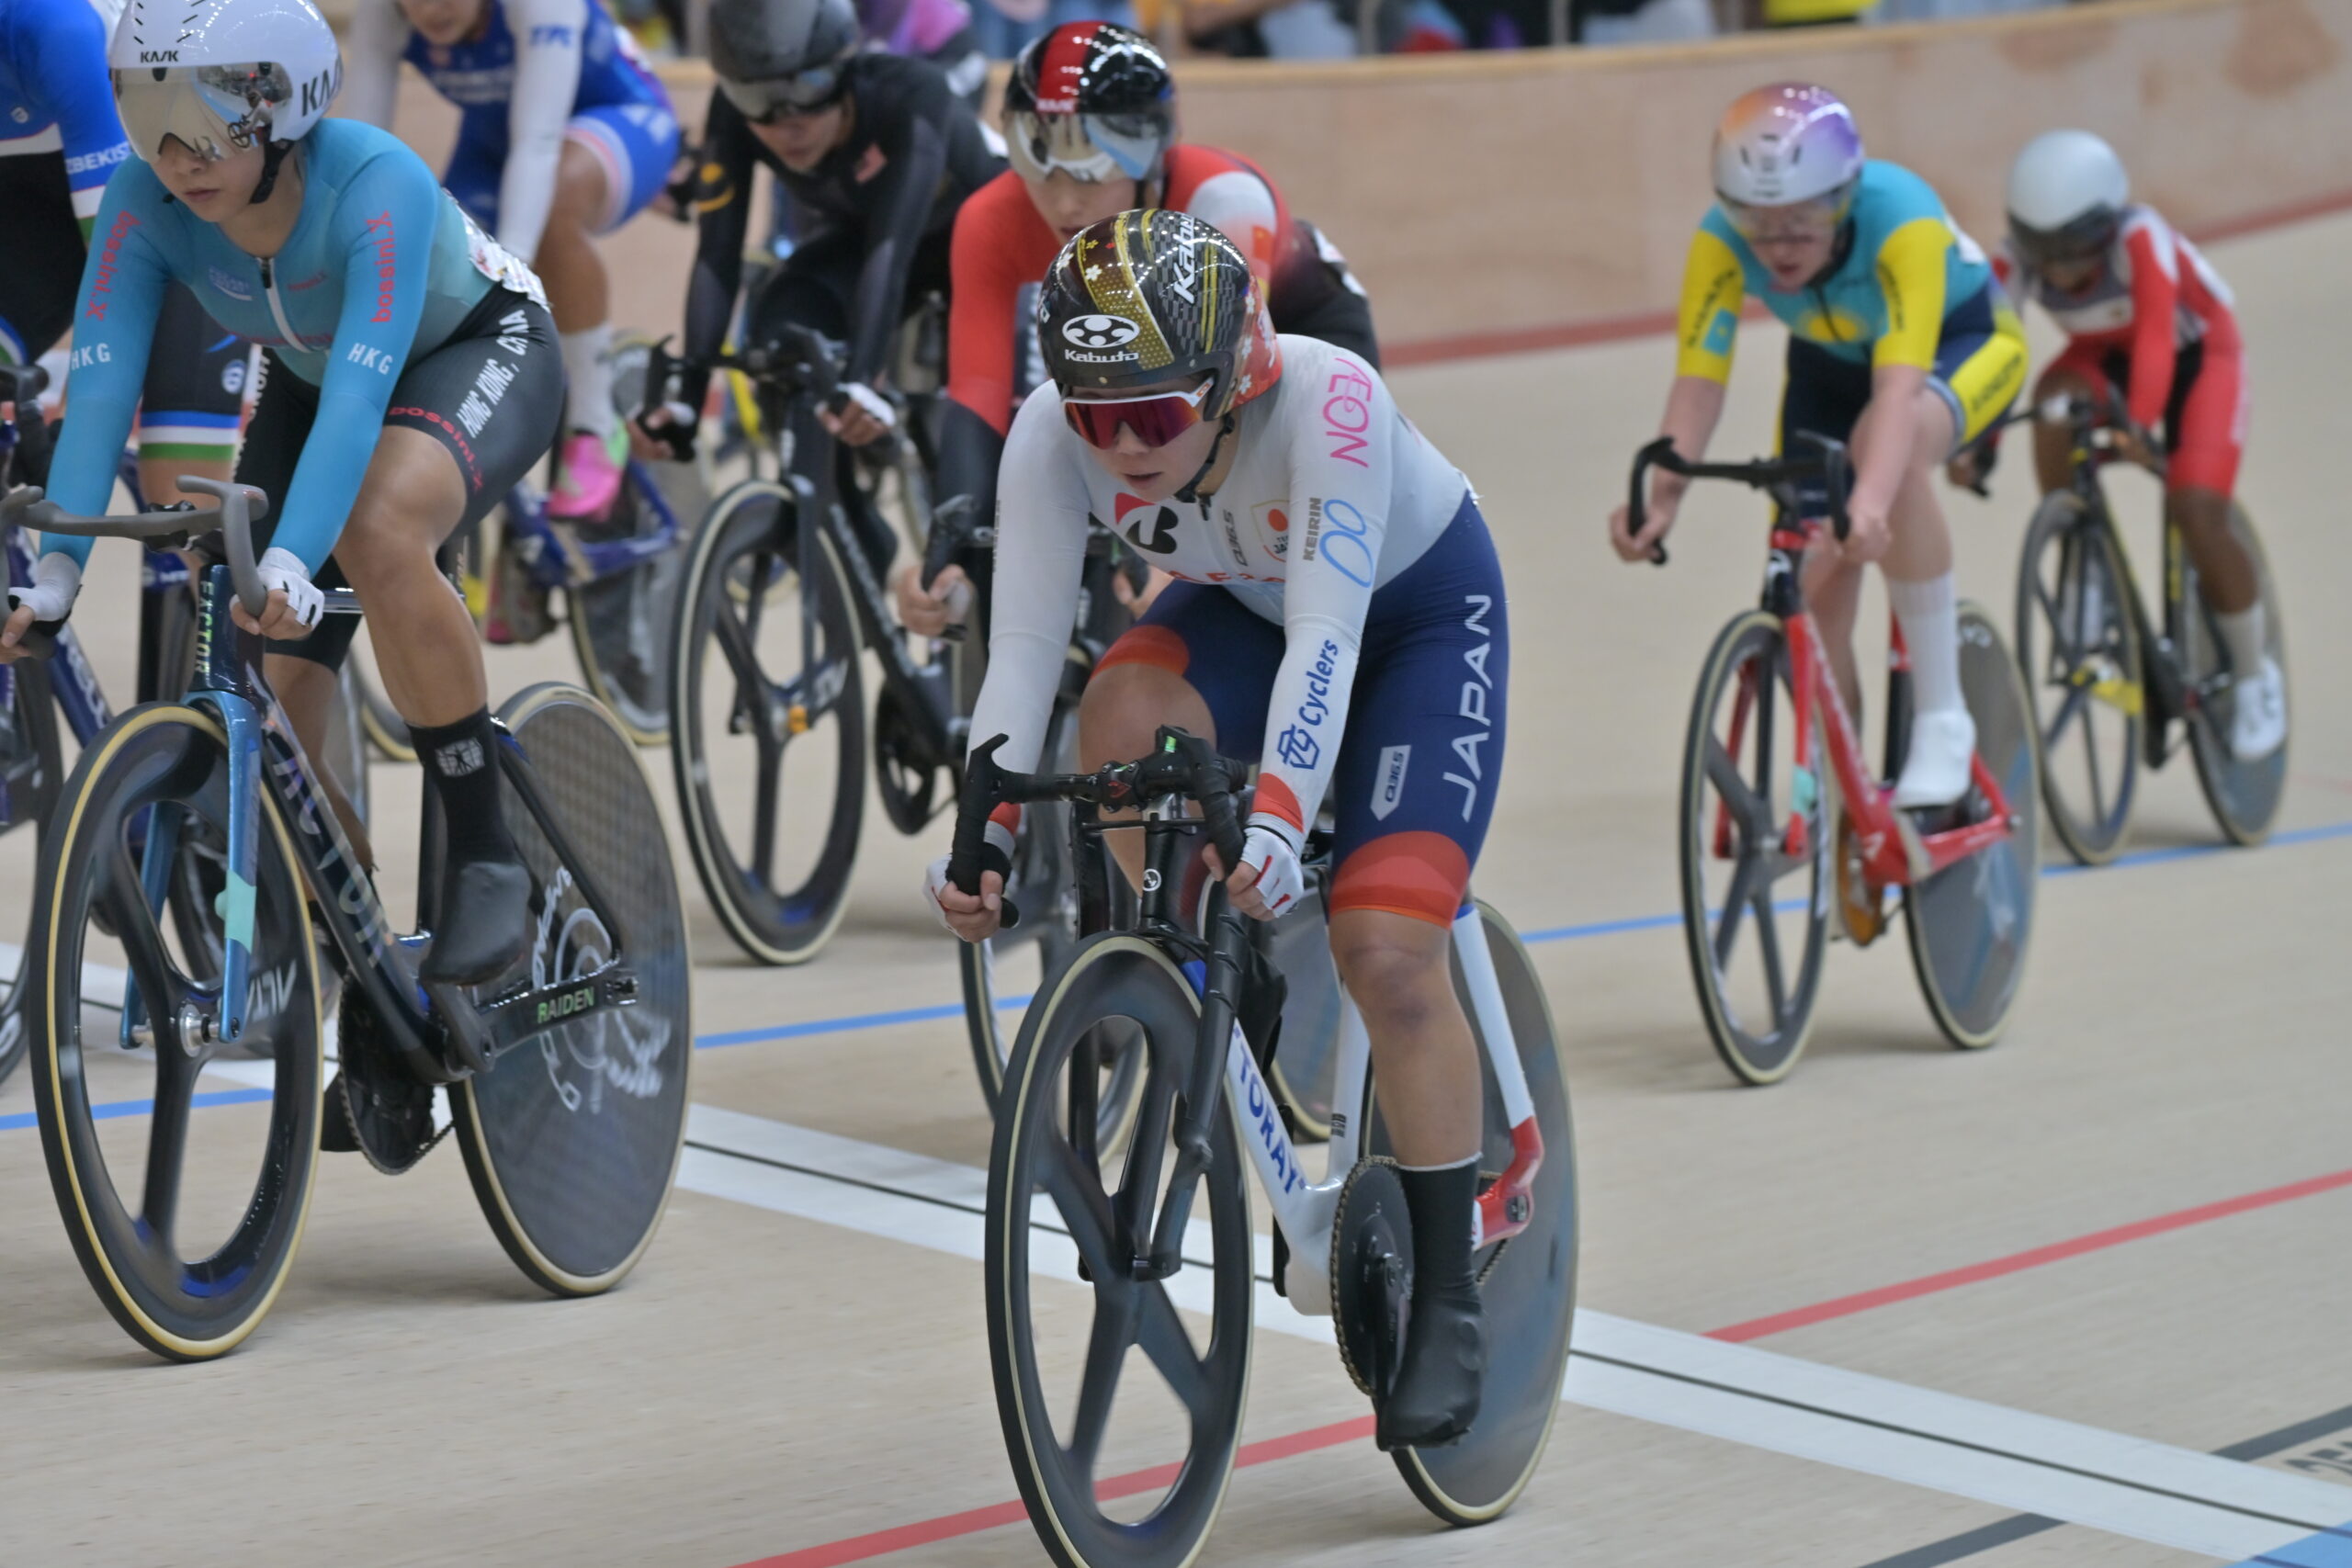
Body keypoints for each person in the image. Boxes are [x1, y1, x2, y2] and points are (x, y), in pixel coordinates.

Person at [928, 209, 1507, 1450]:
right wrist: (979, 833)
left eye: (1151, 414)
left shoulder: (1328, 401)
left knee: (1389, 950)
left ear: (1233, 379)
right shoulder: (1056, 431)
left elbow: (1329, 640)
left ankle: (1453, 1293)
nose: (1120, 445)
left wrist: (1286, 816)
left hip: (1412, 617)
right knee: (1121, 710)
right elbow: (1025, 652)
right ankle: (1202, 959)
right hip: (1246, 597)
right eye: (1095, 415)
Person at [0, 0, 566, 987]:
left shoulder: (374, 178)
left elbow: (361, 398)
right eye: (148, 115)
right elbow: (100, 385)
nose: (181, 153)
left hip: (477, 350)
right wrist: (57, 574)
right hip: (310, 379)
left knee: (376, 529)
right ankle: (368, 970)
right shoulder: (146, 199)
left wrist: (300, 562)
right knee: (265, 684)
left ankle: (484, 849)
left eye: (211, 118)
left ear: (286, 104)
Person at [1611, 84, 2027, 808]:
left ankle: (1943, 717)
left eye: (1803, 223)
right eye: (1757, 225)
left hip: (1961, 345)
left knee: (1883, 467)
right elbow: (1700, 381)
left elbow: (1897, 391)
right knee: (1806, 584)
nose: (1778, 247)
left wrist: (1868, 500)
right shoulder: (1720, 240)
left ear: (1845, 199)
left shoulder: (1902, 220)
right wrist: (1663, 498)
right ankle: (1845, 787)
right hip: (1828, 371)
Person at [898, 20, 1376, 632]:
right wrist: (952, 540)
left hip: (1295, 338)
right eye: (1042, 173)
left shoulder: (1223, 202)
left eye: (1090, 175)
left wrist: (1182, 558)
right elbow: (978, 390)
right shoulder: (990, 218)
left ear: (1150, 162)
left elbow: (1235, 395)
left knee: (1278, 562)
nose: (1065, 204)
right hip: (1141, 365)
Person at [632, 0, 1001, 577]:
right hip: (867, 243)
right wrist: (687, 390)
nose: (785, 124)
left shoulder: (910, 94)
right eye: (757, 100)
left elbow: (892, 250)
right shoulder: (735, 114)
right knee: (785, 334)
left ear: (844, 69)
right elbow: (717, 256)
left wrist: (863, 379)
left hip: (979, 248)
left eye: (807, 89)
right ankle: (850, 541)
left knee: (975, 446)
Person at [1965, 128, 2280, 759]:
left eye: (2074, 249)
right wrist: (1980, 440)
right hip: (2103, 354)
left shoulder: (2143, 237)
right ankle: (2083, 565)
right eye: (2042, 250)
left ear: (2107, 226)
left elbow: (2160, 337)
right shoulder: (2012, 260)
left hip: (2198, 356)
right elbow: (1993, 352)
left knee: (2195, 507)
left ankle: (2254, 674)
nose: (2058, 268)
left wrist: (2137, 424)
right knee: (2053, 404)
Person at [344, 0, 679, 520]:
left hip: (615, 117)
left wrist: (510, 274)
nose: (431, 9)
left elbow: (539, 144)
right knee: (435, 263)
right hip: (496, 141)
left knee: (549, 213)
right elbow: (362, 153)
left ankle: (594, 422)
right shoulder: (381, 12)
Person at [0, 0, 247, 507]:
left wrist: (73, 424)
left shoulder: (56, 29)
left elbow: (124, 265)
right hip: (30, 221)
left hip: (168, 219)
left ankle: (184, 567)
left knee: (184, 507)